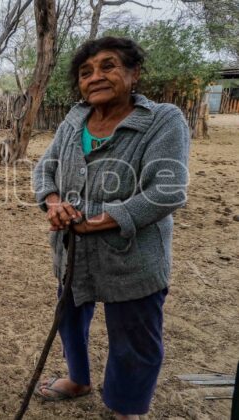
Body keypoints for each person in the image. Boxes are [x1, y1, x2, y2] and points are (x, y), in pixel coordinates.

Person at [31, 37, 190, 419]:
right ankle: (79, 379)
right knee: (70, 319)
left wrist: (100, 220)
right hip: (72, 254)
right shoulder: (73, 121)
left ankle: (127, 408)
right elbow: (44, 169)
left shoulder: (162, 120)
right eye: (86, 72)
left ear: (134, 74)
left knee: (133, 339)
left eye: (108, 66)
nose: (95, 77)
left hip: (132, 258)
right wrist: (52, 202)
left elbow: (167, 191)